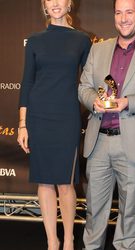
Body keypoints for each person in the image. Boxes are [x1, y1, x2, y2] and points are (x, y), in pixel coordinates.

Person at [78, 0, 135, 249]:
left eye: (129, 12)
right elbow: (84, 87)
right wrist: (93, 101)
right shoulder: (98, 50)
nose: (123, 18)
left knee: (129, 214)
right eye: (118, 13)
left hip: (134, 144)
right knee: (93, 212)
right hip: (98, 143)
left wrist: (127, 102)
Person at [17, 0, 91, 249]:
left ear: (70, 4)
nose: (56, 3)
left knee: (65, 183)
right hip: (38, 117)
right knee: (44, 182)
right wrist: (22, 125)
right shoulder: (35, 40)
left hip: (66, 117)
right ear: (44, 5)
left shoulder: (82, 40)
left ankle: (69, 239)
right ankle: (52, 241)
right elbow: (27, 82)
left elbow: (92, 79)